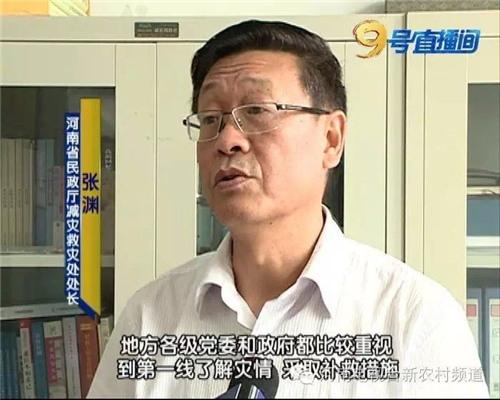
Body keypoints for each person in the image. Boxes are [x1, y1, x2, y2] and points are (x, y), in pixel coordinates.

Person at [88, 20, 489, 398]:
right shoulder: (150, 317)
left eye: (257, 111)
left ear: (331, 139)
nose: (227, 140)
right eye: (210, 119)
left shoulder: (414, 317)